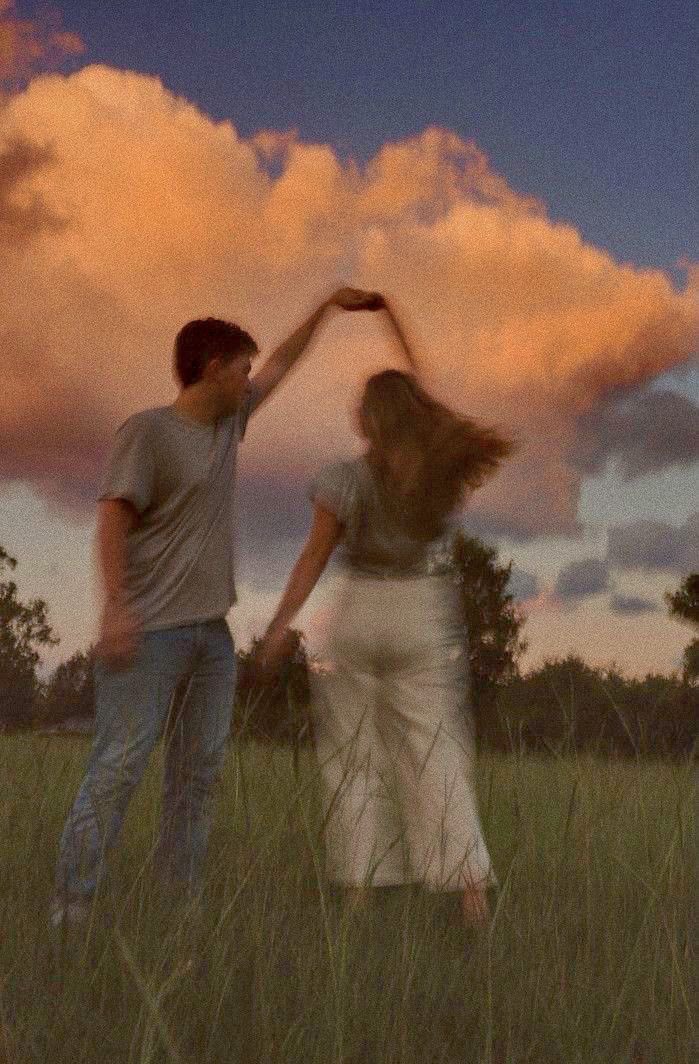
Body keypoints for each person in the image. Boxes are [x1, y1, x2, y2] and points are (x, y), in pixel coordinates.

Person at [51, 286, 384, 928]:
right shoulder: (147, 432)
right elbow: (113, 520)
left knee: (197, 775)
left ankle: (179, 905)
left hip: (211, 640)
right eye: (241, 369)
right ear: (212, 368)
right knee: (120, 764)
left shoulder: (231, 425)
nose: (251, 380)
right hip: (149, 635)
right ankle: (72, 906)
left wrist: (326, 306)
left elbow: (284, 363)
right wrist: (115, 608)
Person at [256, 297, 517, 927]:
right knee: (438, 753)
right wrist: (391, 316)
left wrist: (276, 628)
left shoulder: (345, 478)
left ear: (369, 418)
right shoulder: (437, 471)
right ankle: (471, 897)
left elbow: (313, 559)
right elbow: (423, 382)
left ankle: (360, 896)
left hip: (359, 612)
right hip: (423, 612)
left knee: (353, 758)